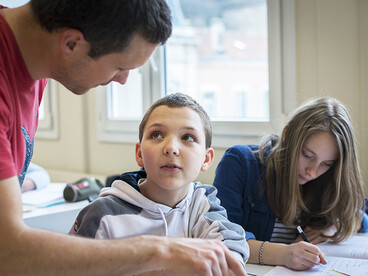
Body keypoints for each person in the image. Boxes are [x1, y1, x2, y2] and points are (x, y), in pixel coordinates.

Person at [0, 1, 246, 275]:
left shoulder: (34, 63)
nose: (123, 80)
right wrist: (162, 251)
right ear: (71, 45)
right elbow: (6, 250)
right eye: (120, 65)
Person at [69, 93, 249, 274]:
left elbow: (230, 241)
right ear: (139, 153)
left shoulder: (201, 202)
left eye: (188, 137)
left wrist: (229, 262)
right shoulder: (103, 214)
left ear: (206, 158)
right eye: (157, 134)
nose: (171, 147)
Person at [213, 97, 368, 271]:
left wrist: (332, 225)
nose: (313, 172)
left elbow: (360, 214)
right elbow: (221, 238)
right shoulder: (240, 162)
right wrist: (283, 254)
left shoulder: (325, 179)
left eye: (326, 163)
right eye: (308, 155)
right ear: (287, 135)